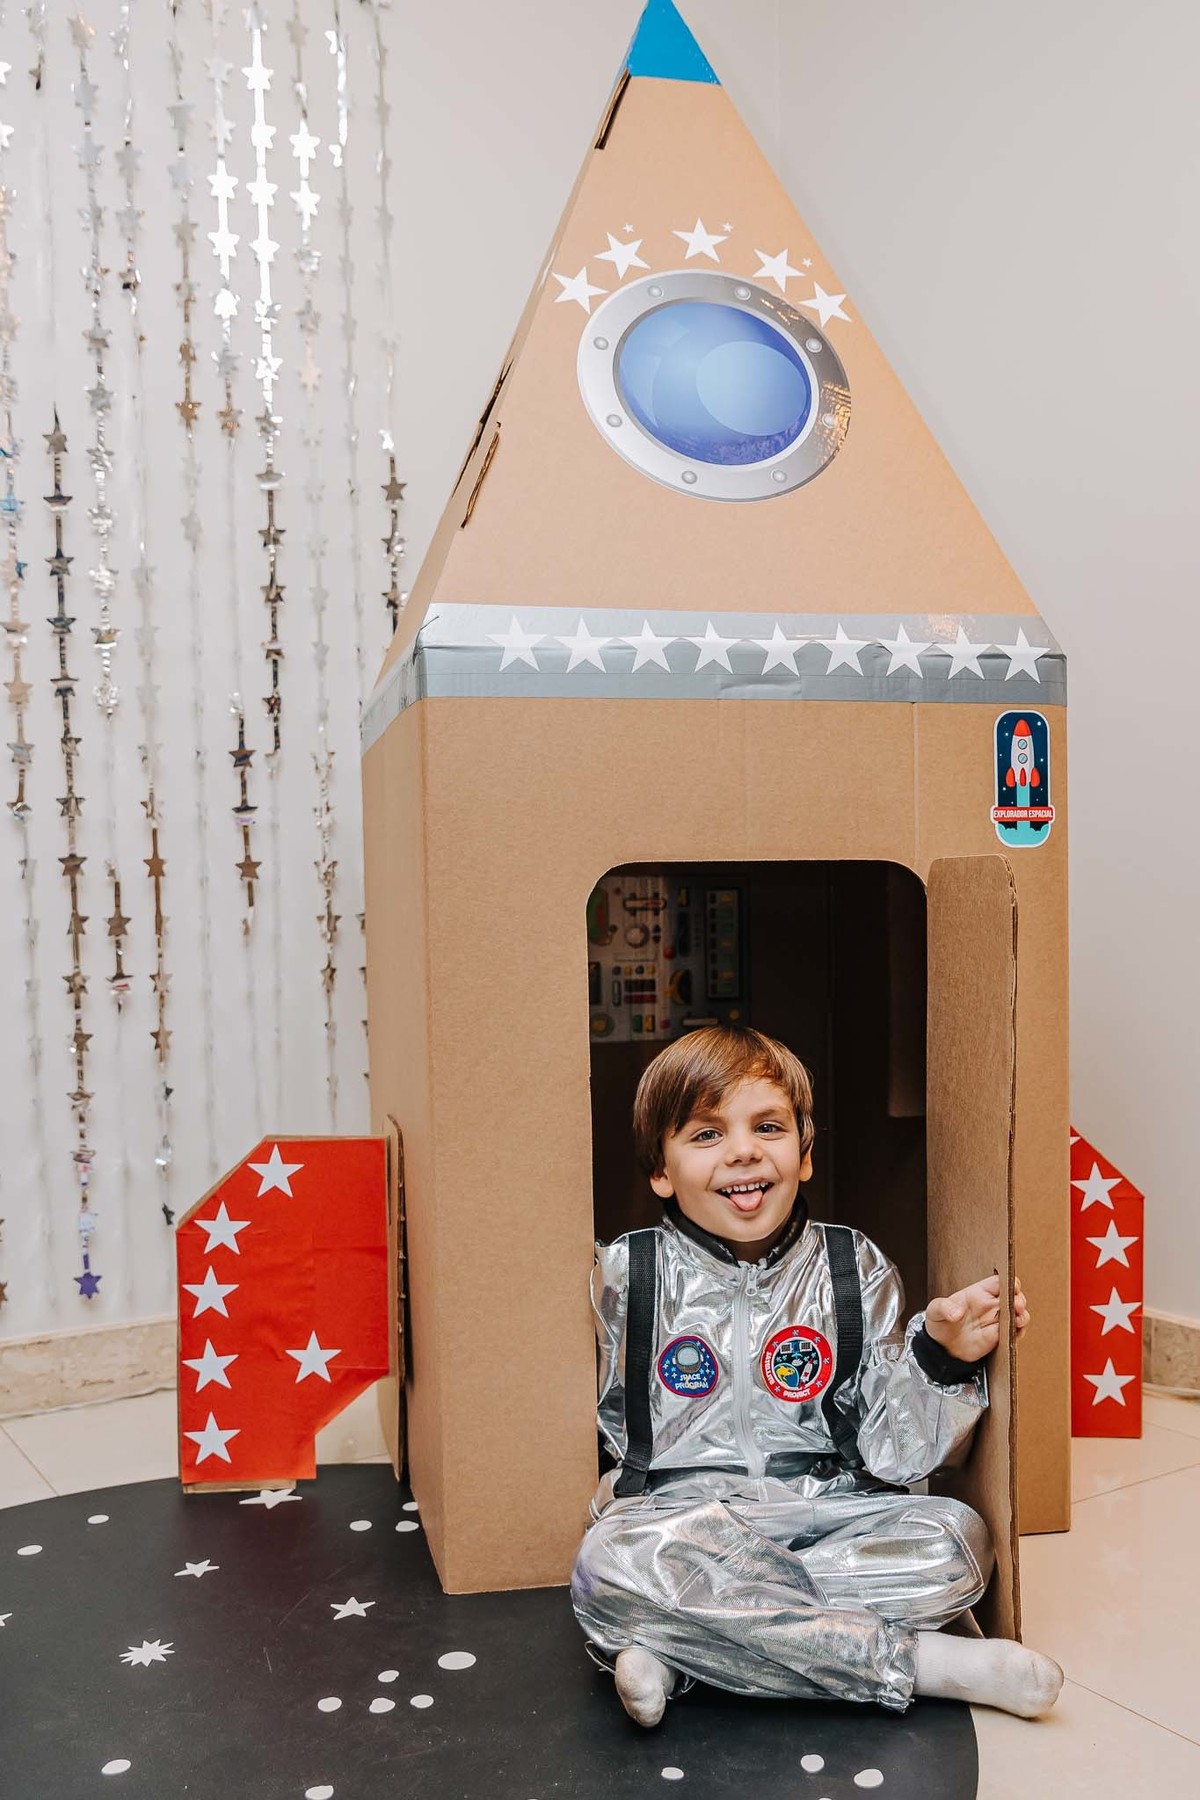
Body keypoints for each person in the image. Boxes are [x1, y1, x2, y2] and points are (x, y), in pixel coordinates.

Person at [570, 1025, 1064, 1726]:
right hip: (680, 1520)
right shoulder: (623, 1274)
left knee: (958, 1542)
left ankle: (676, 1644)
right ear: (660, 1171)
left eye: (767, 1127)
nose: (743, 1150)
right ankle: (924, 1665)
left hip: (828, 1512)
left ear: (803, 1155)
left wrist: (940, 1356)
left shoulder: (851, 1267)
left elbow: (895, 1456)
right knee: (605, 1565)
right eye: (707, 1134)